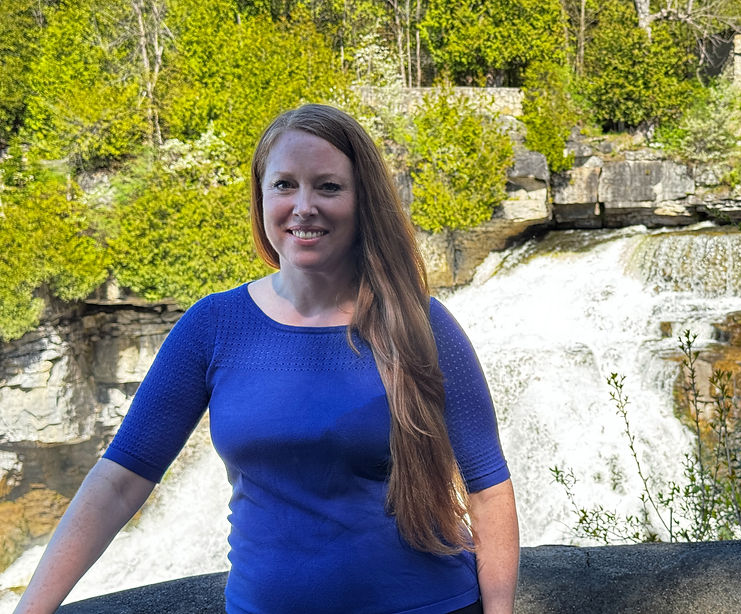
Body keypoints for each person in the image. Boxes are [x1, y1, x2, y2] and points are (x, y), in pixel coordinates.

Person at [14, 104, 519, 614]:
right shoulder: (214, 326)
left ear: (363, 200)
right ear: (260, 198)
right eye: (284, 185)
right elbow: (120, 480)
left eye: (328, 186)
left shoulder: (422, 323)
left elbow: (489, 487)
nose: (304, 206)